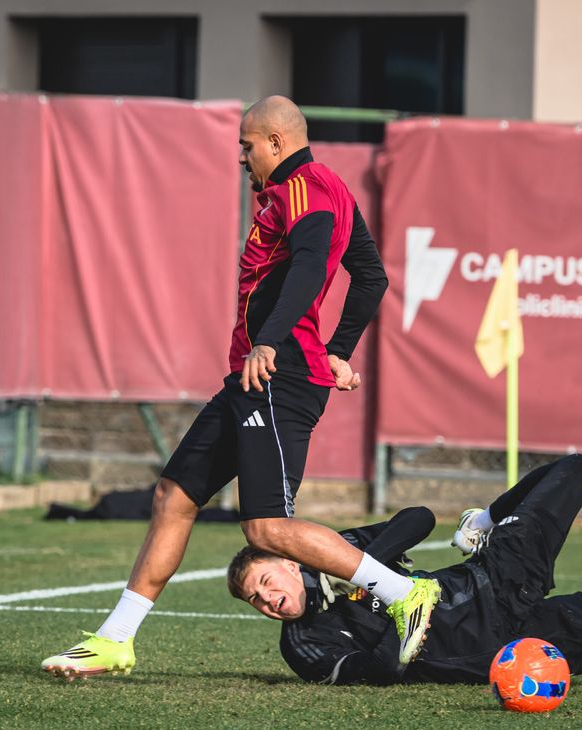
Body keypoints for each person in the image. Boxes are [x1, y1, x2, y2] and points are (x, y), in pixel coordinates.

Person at [41, 95, 441, 679]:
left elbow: (308, 267)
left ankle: (405, 594)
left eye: (247, 146)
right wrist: (338, 350)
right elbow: (372, 277)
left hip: (278, 377)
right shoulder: (321, 188)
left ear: (277, 141)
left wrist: (273, 341)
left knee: (264, 527)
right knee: (173, 498)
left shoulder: (303, 185)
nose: (243, 159)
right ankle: (115, 640)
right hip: (253, 378)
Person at [227, 454, 582, 685]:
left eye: (266, 582)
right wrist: (402, 628)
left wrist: (362, 567)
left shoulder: (334, 555)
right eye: (256, 599)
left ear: (291, 562)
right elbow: (378, 672)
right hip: (501, 648)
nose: (268, 600)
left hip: (493, 580)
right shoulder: (301, 643)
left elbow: (418, 519)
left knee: (573, 469)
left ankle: (481, 521)